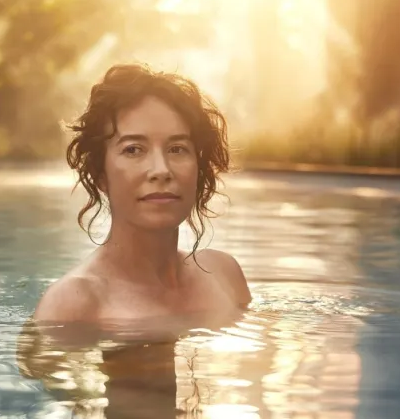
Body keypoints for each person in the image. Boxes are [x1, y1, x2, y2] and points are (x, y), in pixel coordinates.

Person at [32, 63, 252, 328]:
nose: (161, 170)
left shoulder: (224, 274)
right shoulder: (72, 305)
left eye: (177, 149)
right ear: (100, 174)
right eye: (134, 150)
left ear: (199, 167)